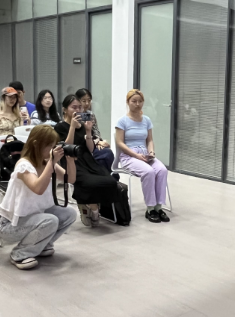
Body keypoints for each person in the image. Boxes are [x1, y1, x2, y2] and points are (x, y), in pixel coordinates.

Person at [0, 126, 77, 269]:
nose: (53, 149)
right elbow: (38, 189)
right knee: (50, 220)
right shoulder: (24, 165)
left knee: (69, 213)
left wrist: (70, 160)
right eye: (49, 146)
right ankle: (20, 254)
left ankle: (42, 245)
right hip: (8, 224)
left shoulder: (46, 162)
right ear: (35, 144)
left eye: (54, 145)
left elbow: (70, 179)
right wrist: (52, 162)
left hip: (33, 216)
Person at [54, 95, 121, 227]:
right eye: (74, 107)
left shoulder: (83, 126)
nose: (78, 110)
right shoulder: (60, 127)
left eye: (79, 107)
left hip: (88, 160)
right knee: (89, 183)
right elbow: (66, 148)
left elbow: (90, 149)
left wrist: (89, 131)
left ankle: (90, 205)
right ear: (65, 109)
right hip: (72, 161)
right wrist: (72, 127)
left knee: (110, 181)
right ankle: (93, 207)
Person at [115, 89, 170, 223]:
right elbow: (120, 143)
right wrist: (136, 155)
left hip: (145, 155)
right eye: (134, 101)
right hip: (129, 156)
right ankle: (150, 209)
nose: (137, 104)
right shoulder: (122, 121)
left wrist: (151, 152)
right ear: (128, 102)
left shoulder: (147, 120)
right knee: (148, 172)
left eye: (140, 101)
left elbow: (149, 140)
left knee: (162, 170)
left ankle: (158, 207)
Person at [76, 88, 114, 171]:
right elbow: (81, 134)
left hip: (93, 143)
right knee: (107, 153)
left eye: (89, 100)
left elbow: (96, 131)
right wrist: (96, 142)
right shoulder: (76, 115)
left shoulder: (90, 114)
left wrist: (99, 142)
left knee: (106, 153)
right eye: (84, 101)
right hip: (83, 145)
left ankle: (106, 176)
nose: (87, 103)